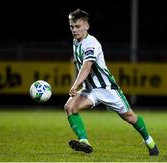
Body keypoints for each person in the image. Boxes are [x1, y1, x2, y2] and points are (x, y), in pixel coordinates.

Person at [64, 8, 159, 156]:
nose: (74, 30)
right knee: (70, 107)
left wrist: (75, 85)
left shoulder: (91, 43)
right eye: (72, 26)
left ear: (86, 26)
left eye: (78, 26)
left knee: (130, 117)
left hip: (107, 88)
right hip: (90, 89)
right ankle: (84, 142)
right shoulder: (76, 41)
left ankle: (149, 141)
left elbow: (87, 67)